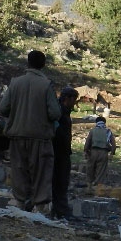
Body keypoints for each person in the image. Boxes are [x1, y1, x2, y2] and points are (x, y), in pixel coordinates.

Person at [0, 50, 61, 212]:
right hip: (40, 138)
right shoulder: (46, 85)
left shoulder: (15, 83)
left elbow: (3, 108)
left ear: (28, 63)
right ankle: (40, 207)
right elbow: (55, 113)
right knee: (41, 173)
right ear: (43, 65)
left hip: (17, 136)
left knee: (19, 171)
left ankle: (20, 204)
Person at [51, 86, 79, 220]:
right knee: (60, 181)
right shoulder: (60, 112)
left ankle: (58, 209)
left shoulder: (63, 111)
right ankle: (61, 210)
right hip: (59, 152)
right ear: (68, 98)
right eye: (74, 99)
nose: (75, 103)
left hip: (62, 151)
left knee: (60, 182)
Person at [83, 115, 116, 188]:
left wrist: (85, 151)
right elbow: (113, 144)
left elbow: (88, 141)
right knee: (101, 171)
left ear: (96, 122)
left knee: (90, 169)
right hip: (104, 153)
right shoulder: (108, 131)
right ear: (104, 123)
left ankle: (89, 186)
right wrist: (112, 154)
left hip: (93, 152)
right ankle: (98, 187)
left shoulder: (93, 130)